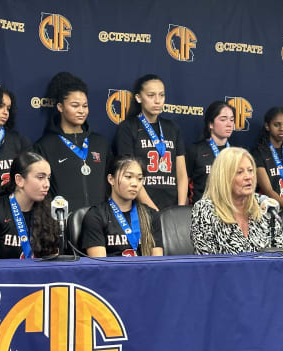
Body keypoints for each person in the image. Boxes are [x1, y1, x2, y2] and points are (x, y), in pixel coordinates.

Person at [33, 72, 110, 212]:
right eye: (75, 105)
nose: (81, 111)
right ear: (60, 107)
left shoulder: (100, 143)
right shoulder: (44, 146)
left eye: (85, 106)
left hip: (100, 224)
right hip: (62, 224)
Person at [191, 147, 283, 254]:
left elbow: (280, 256)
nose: (248, 177)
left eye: (250, 171)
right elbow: (206, 261)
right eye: (240, 172)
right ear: (224, 177)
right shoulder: (205, 209)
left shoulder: (265, 205)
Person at [114, 74, 187, 211]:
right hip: (142, 206)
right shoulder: (128, 127)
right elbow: (129, 174)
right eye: (151, 95)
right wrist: (154, 211)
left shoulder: (172, 128)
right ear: (138, 98)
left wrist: (181, 208)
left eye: (161, 95)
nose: (157, 101)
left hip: (172, 206)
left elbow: (182, 173)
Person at [0, 151, 58, 259]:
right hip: (3, 275)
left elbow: (55, 264)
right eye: (40, 177)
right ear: (19, 180)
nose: (47, 184)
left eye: (48, 178)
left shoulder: (49, 212)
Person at [80, 155, 163, 257]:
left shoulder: (151, 215)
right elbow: (100, 266)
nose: (135, 183)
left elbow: (158, 263)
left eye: (140, 178)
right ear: (111, 179)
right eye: (128, 177)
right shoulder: (96, 216)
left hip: (146, 272)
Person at [186, 101, 235, 203]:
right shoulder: (196, 150)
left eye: (232, 120)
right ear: (211, 124)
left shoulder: (236, 153)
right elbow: (184, 183)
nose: (229, 124)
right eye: (223, 119)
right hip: (201, 212)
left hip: (229, 211)